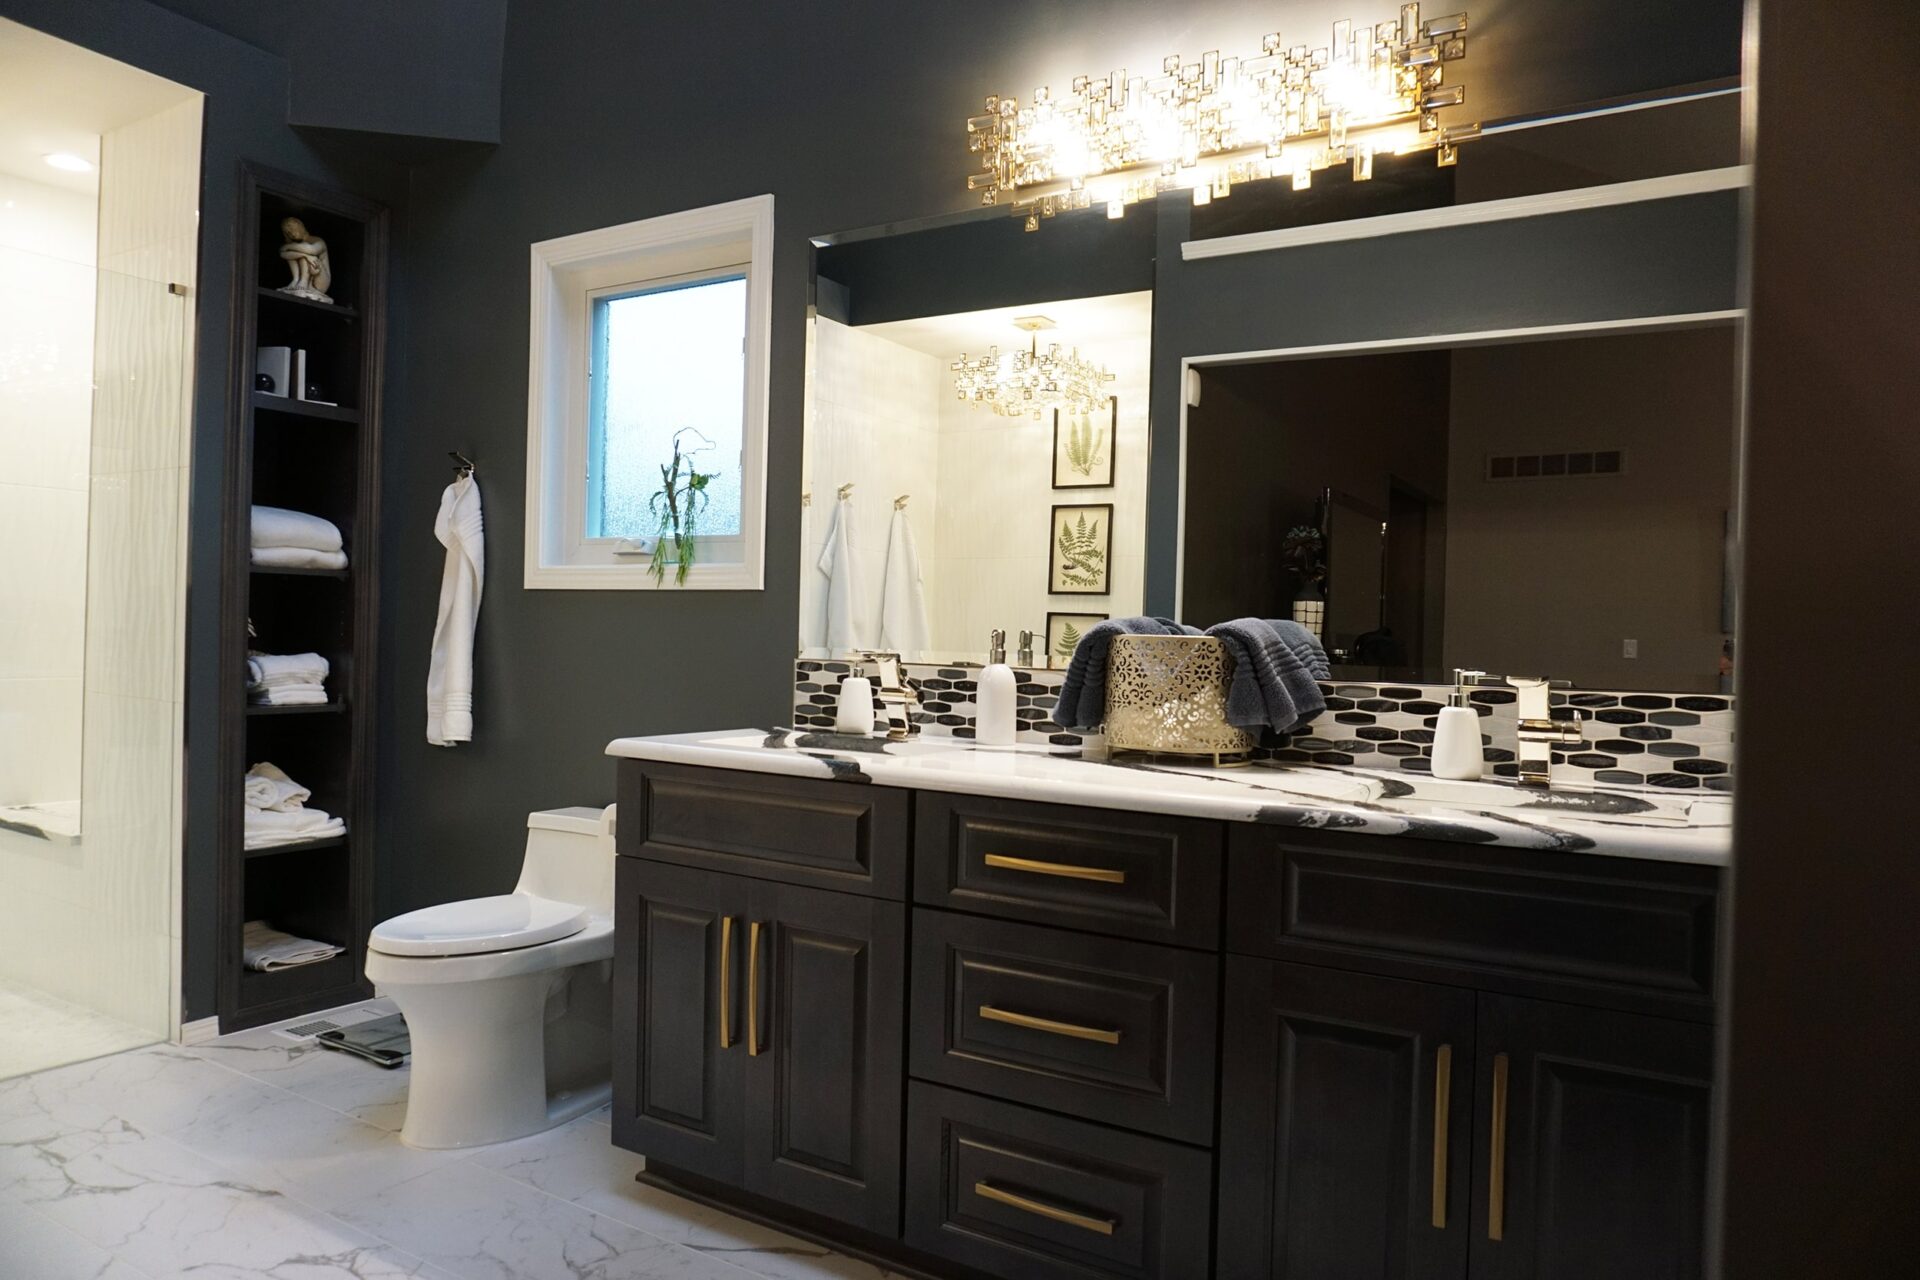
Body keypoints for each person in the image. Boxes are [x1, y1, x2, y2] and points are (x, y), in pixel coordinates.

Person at [277, 216, 333, 303]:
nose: (291, 233)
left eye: (292, 229)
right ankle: (296, 280)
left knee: (308, 255)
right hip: (311, 270)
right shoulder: (296, 245)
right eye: (288, 232)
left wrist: (288, 246)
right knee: (299, 255)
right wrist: (304, 255)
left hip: (321, 281)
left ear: (299, 225)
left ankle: (303, 282)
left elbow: (312, 250)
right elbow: (283, 254)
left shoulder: (317, 240)